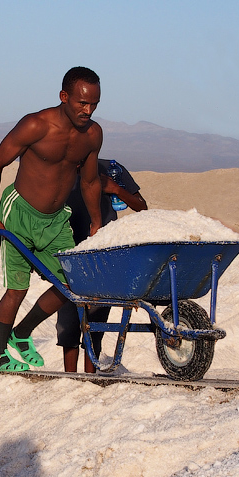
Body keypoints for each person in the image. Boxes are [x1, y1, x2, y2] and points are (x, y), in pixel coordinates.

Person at [0, 67, 104, 372]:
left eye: (94, 105)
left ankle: (21, 334)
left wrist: (97, 223)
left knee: (69, 285)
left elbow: (89, 182)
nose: (88, 111)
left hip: (56, 221)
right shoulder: (36, 125)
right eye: (82, 104)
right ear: (64, 97)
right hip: (19, 212)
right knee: (17, 289)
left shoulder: (92, 135)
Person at [56, 159, 147, 373]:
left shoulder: (111, 169)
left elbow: (141, 206)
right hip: (69, 255)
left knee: (95, 324)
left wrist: (115, 189)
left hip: (102, 257)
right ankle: (70, 379)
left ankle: (90, 376)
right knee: (68, 325)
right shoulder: (61, 168)